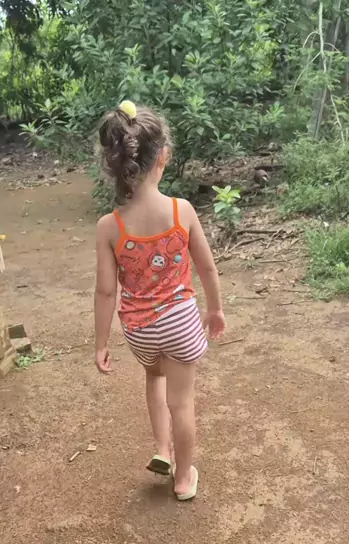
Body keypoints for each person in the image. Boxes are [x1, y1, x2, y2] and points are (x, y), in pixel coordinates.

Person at [94, 100, 226, 501]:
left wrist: (101, 342)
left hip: (139, 330)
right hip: (181, 323)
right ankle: (183, 478)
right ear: (162, 158)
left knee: (154, 377)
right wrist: (215, 309)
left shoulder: (109, 227)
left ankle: (162, 450)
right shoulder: (181, 211)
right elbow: (207, 267)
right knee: (181, 402)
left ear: (114, 166)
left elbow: (105, 291)